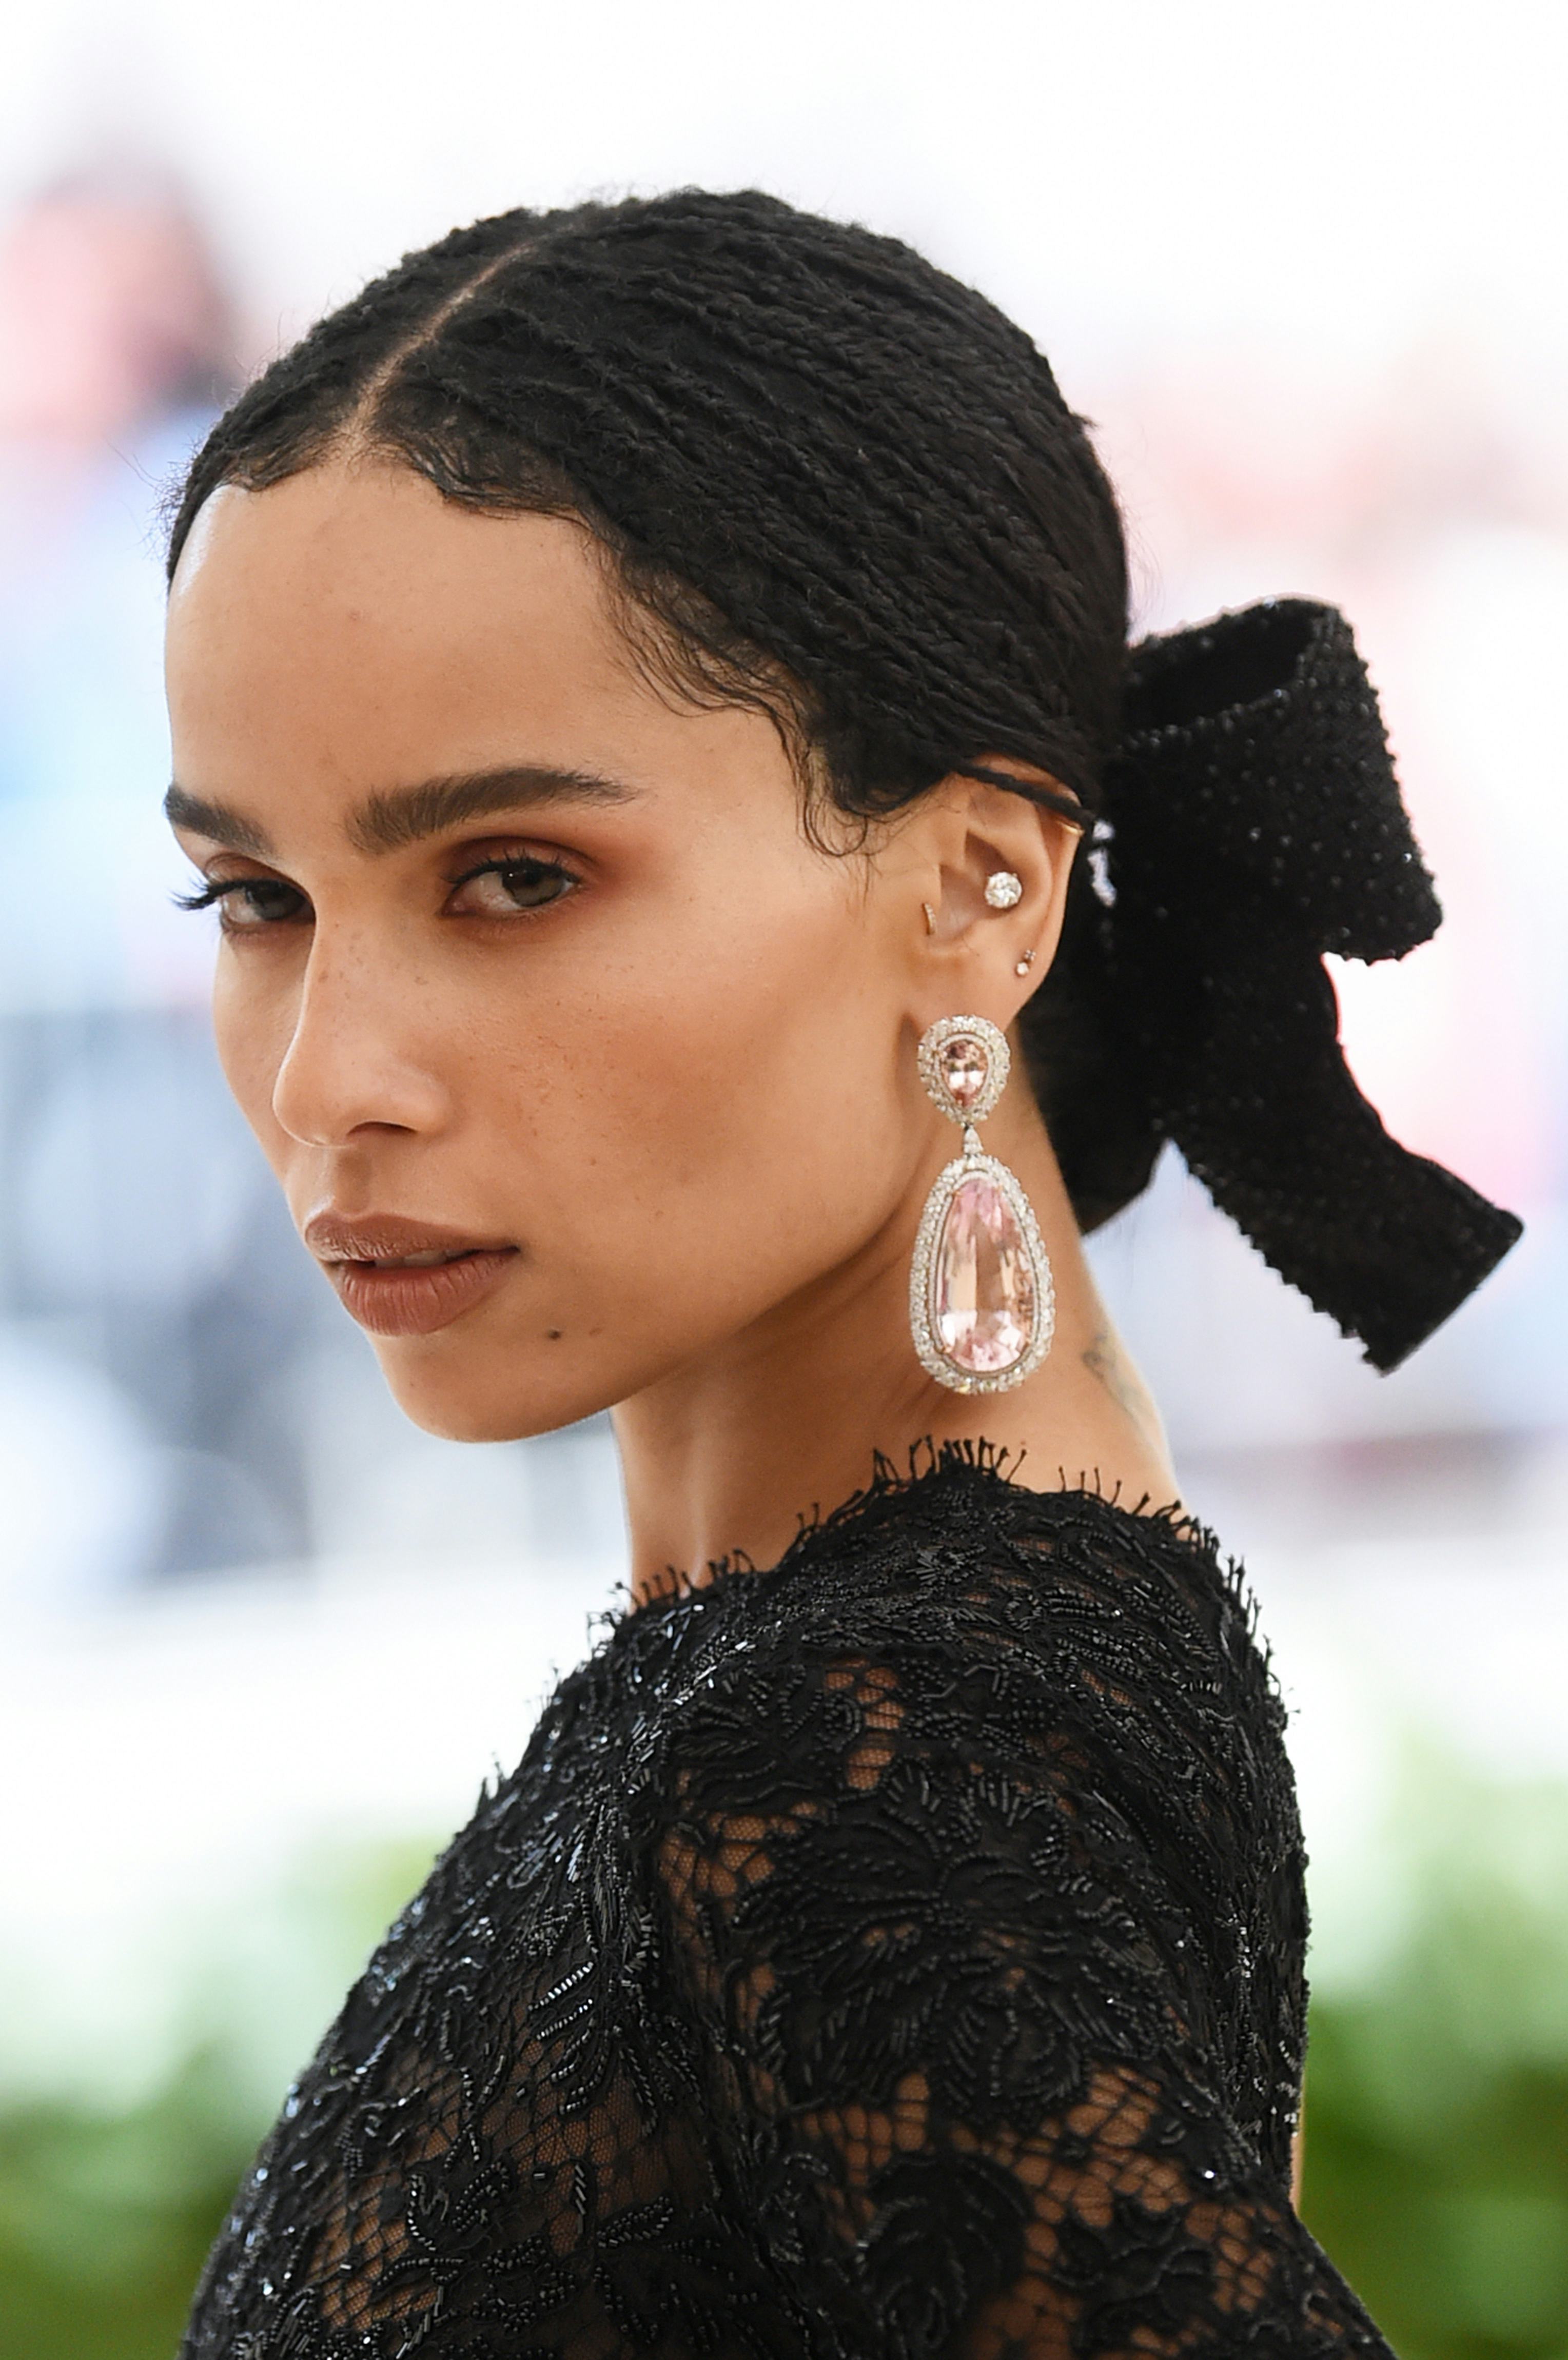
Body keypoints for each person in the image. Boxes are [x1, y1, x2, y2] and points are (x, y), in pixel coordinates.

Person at [162, 191, 1518, 2357]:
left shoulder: (859, 1755)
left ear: (981, 879)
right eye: (249, 896)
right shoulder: (836, 1679)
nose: (332, 1080)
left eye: (512, 875)